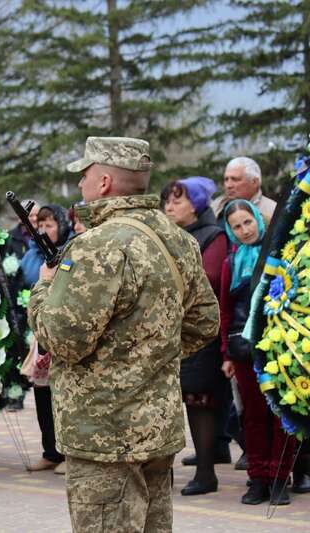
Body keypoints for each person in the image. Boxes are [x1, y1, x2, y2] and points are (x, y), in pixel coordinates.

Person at [28, 136, 219, 533]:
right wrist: (146, 357)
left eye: (84, 175)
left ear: (103, 183)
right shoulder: (178, 238)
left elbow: (62, 337)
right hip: (157, 425)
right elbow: (203, 321)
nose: (80, 184)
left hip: (102, 434)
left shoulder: (97, 246)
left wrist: (44, 287)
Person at [219, 199, 296, 505]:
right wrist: (226, 353)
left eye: (247, 222)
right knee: (251, 416)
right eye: (236, 226)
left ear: (258, 220)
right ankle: (258, 478)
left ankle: (280, 478)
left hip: (278, 348)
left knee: (278, 415)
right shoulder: (231, 262)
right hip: (243, 350)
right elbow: (225, 310)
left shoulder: (278, 255)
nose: (244, 230)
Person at [161, 177, 229, 496]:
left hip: (202, 333)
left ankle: (206, 474)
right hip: (173, 333)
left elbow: (211, 278)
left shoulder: (212, 235)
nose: (169, 206)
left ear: (196, 205)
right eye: (167, 201)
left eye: (177, 200)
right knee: (188, 401)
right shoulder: (168, 236)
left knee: (201, 400)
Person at [19, 204, 71, 475]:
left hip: (60, 330)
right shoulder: (33, 253)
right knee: (41, 394)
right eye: (40, 225)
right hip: (39, 331)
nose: (44, 230)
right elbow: (26, 277)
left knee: (60, 395)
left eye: (50, 225)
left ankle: (66, 453)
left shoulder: (72, 248)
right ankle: (49, 451)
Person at [210, 157, 277, 225]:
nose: (228, 185)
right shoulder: (216, 205)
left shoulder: (272, 212)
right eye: (226, 179)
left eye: (235, 179)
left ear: (254, 182)